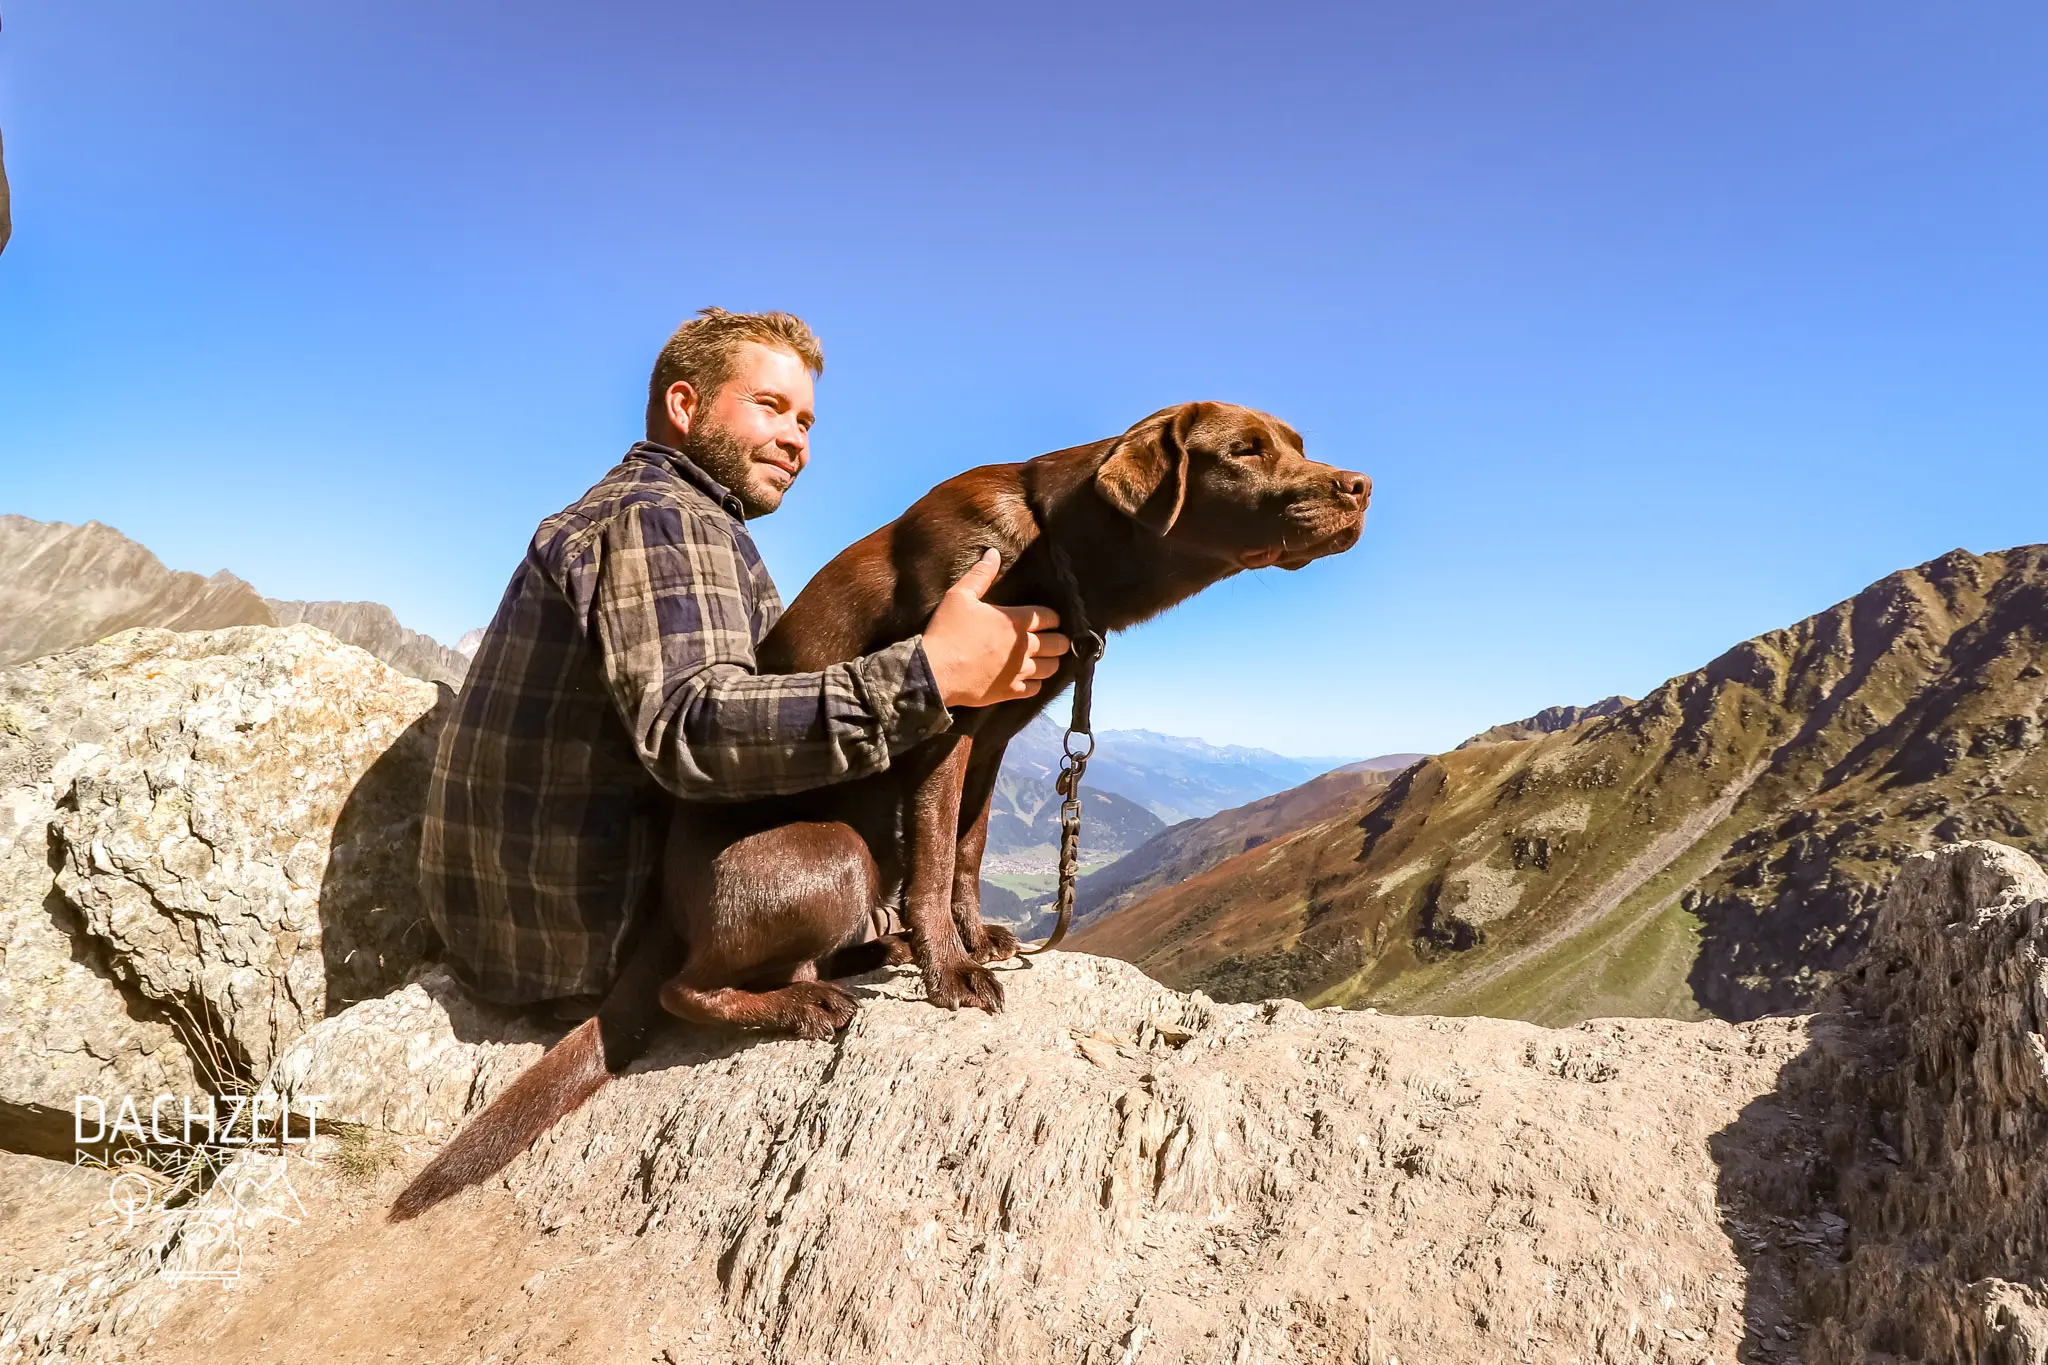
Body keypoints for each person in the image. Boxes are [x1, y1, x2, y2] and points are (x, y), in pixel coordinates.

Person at [420, 307, 1070, 1020]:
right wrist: (929, 675)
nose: (796, 440)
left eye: (807, 423)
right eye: (771, 407)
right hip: (578, 947)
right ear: (684, 405)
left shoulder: (677, 517)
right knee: (837, 862)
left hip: (529, 928)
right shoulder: (660, 515)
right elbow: (693, 727)